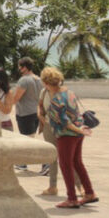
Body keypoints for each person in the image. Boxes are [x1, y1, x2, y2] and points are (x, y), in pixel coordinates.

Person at [43, 67, 97, 209]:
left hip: (67, 135)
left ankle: (72, 198)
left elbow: (65, 122)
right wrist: (81, 129)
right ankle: (89, 193)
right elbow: (76, 112)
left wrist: (78, 129)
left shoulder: (55, 101)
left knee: (66, 165)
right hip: (78, 134)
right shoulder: (69, 92)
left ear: (45, 83)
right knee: (77, 163)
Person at [37, 65, 78, 196]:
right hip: (49, 127)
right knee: (53, 157)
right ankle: (52, 186)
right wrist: (40, 116)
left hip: (64, 128)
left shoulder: (64, 93)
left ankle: (80, 187)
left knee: (68, 158)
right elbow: (40, 105)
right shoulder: (44, 92)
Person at [11, 57, 44, 172]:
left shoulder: (24, 80)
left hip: (25, 113)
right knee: (30, 138)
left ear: (24, 67)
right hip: (36, 112)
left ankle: (46, 162)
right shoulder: (39, 79)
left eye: (20, 66)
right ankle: (22, 162)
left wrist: (7, 105)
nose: (19, 69)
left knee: (26, 140)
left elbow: (16, 98)